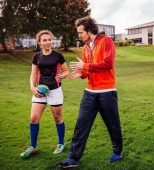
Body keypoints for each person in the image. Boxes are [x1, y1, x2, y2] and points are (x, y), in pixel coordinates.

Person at [57, 16, 123, 169]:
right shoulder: (86, 47)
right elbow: (87, 72)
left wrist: (85, 65)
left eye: (81, 32)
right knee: (81, 125)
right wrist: (80, 73)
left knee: (113, 125)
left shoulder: (106, 41)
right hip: (89, 93)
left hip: (107, 91)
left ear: (89, 30)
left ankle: (118, 151)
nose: (79, 35)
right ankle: (73, 158)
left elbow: (107, 64)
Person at [20, 30, 69, 158]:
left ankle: (61, 143)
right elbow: (33, 74)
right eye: (45, 40)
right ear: (39, 43)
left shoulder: (58, 56)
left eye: (49, 39)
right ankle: (33, 147)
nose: (48, 42)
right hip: (40, 91)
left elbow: (66, 71)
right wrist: (32, 87)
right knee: (33, 119)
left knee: (57, 118)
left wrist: (61, 76)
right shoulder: (36, 57)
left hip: (55, 90)